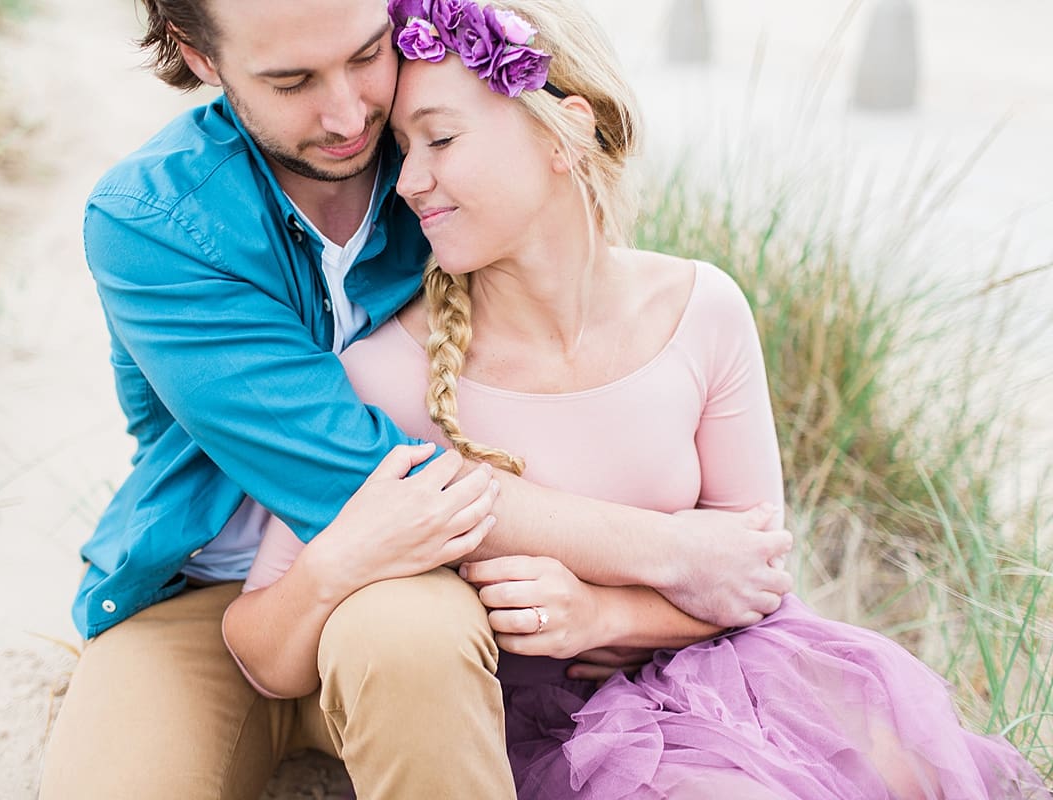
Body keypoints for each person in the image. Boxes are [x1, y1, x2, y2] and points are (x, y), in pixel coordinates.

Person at [228, 0, 1050, 797]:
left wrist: (605, 615)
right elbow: (262, 644)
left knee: (905, 766)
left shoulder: (702, 310)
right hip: (557, 734)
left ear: (565, 133)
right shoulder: (385, 374)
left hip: (729, 675)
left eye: (440, 138)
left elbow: (758, 575)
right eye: (402, 151)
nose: (409, 181)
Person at [39, 0, 797, 798]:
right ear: (199, 57)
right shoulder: (155, 220)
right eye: (292, 81)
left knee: (410, 634)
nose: (348, 117)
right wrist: (674, 551)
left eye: (367, 55)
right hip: (213, 589)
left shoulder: (444, 151)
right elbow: (366, 477)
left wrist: (625, 606)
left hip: (426, 598)